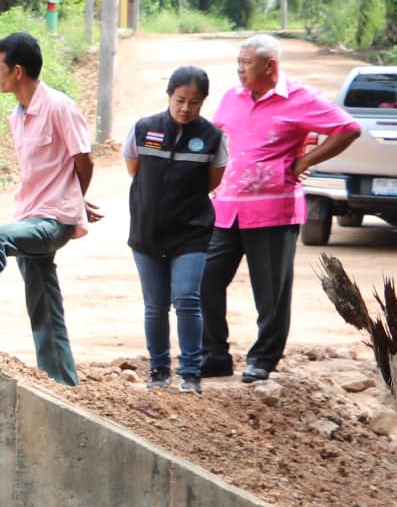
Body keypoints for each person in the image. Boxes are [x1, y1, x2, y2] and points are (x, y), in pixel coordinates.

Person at [0, 32, 96, 387]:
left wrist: (75, 199)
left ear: (18, 71)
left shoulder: (59, 107)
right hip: (29, 215)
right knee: (44, 301)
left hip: (55, 219)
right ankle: (63, 380)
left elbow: (84, 161)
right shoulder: (17, 115)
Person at [200, 34, 361, 383]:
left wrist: (304, 161)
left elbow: (348, 128)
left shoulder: (300, 99)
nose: (239, 69)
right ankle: (214, 355)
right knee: (205, 279)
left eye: (246, 63)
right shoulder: (231, 97)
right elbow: (216, 140)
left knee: (270, 292)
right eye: (238, 62)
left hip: (274, 212)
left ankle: (263, 359)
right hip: (226, 209)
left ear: (270, 65)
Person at [126, 66, 229, 394]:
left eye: (194, 102)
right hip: (148, 232)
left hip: (191, 233)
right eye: (180, 100)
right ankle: (158, 370)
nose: (186, 108)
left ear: (203, 103)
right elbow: (134, 169)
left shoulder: (213, 137)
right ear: (169, 96)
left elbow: (213, 180)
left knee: (186, 298)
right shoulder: (144, 129)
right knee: (155, 304)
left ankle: (190, 373)